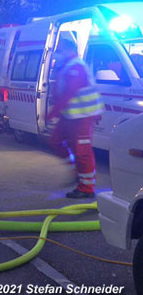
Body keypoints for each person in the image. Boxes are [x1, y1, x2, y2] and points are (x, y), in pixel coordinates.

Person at [46, 38, 104, 199]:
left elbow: (69, 92)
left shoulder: (76, 67)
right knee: (55, 141)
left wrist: (53, 113)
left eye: (60, 49)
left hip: (82, 116)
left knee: (82, 151)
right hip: (71, 115)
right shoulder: (68, 67)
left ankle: (87, 187)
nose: (58, 53)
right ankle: (77, 171)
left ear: (69, 49)